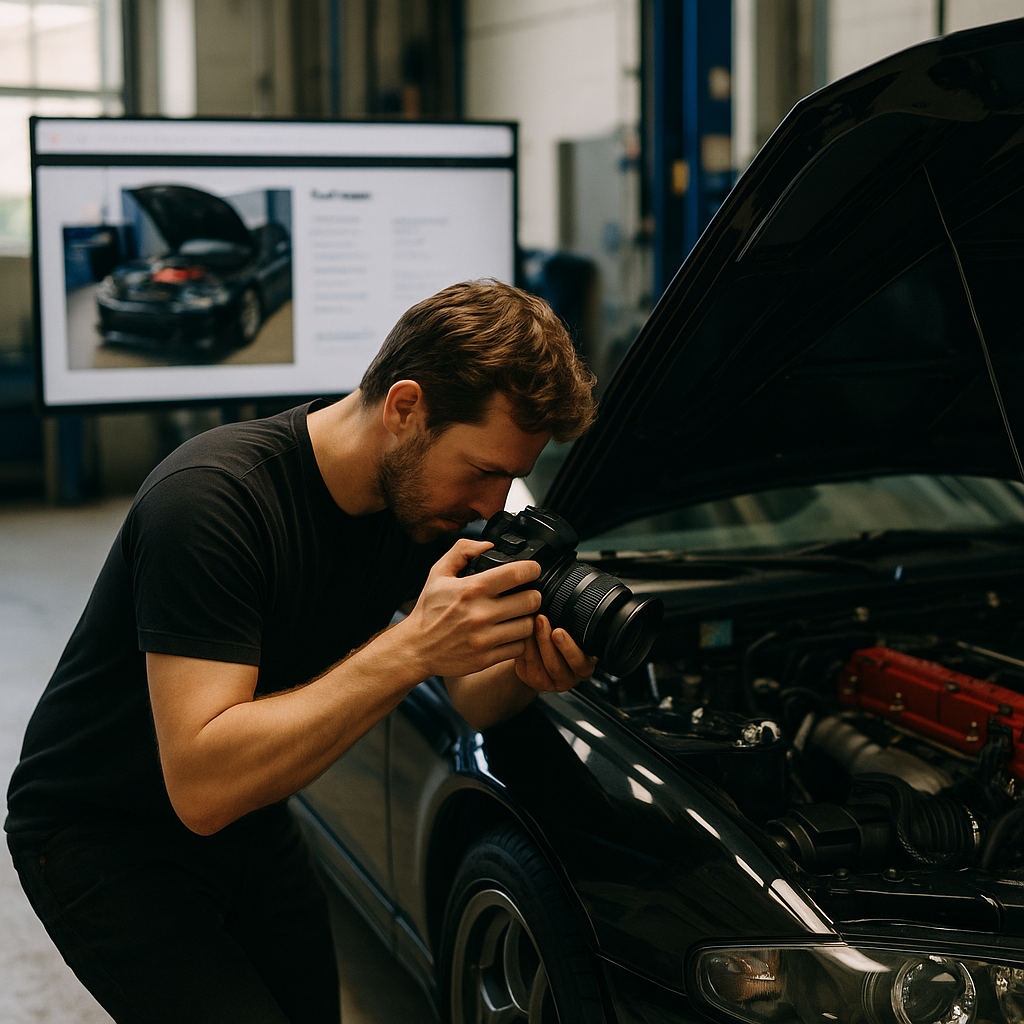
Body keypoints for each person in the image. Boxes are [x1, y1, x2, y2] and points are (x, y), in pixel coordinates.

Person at [5, 279, 598, 1024]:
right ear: (405, 408)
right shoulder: (211, 502)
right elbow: (202, 787)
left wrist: (524, 670)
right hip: (104, 833)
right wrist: (410, 647)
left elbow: (469, 696)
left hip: (250, 814)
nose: (491, 505)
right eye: (484, 470)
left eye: (512, 478)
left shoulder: (414, 502)